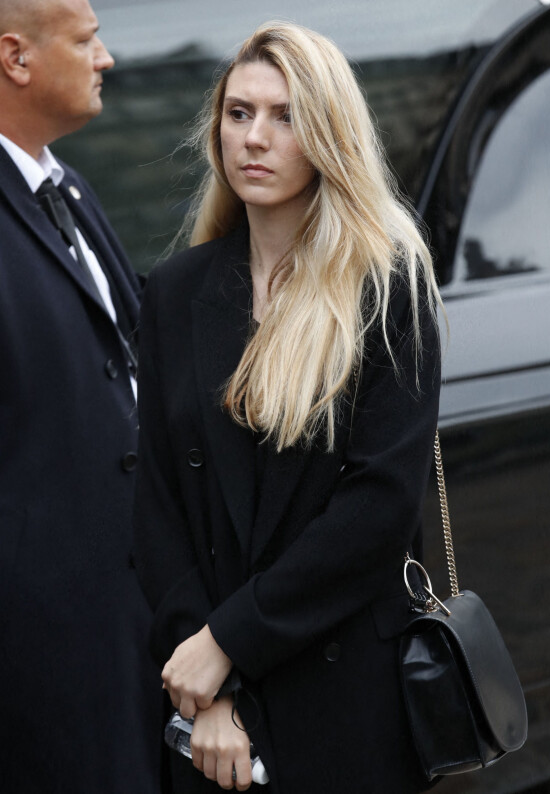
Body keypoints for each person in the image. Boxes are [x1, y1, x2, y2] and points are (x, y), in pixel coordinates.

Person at [133, 21, 442, 794]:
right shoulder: (177, 291)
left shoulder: (387, 286)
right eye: (238, 114)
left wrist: (230, 642)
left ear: (329, 132)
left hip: (343, 696)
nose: (254, 138)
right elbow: (158, 503)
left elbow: (377, 510)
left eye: (285, 115)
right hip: (208, 711)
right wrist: (206, 684)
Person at [0, 1, 161, 791]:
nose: (107, 59)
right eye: (87, 39)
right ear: (15, 58)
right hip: (39, 666)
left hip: (128, 635)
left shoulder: (65, 186)